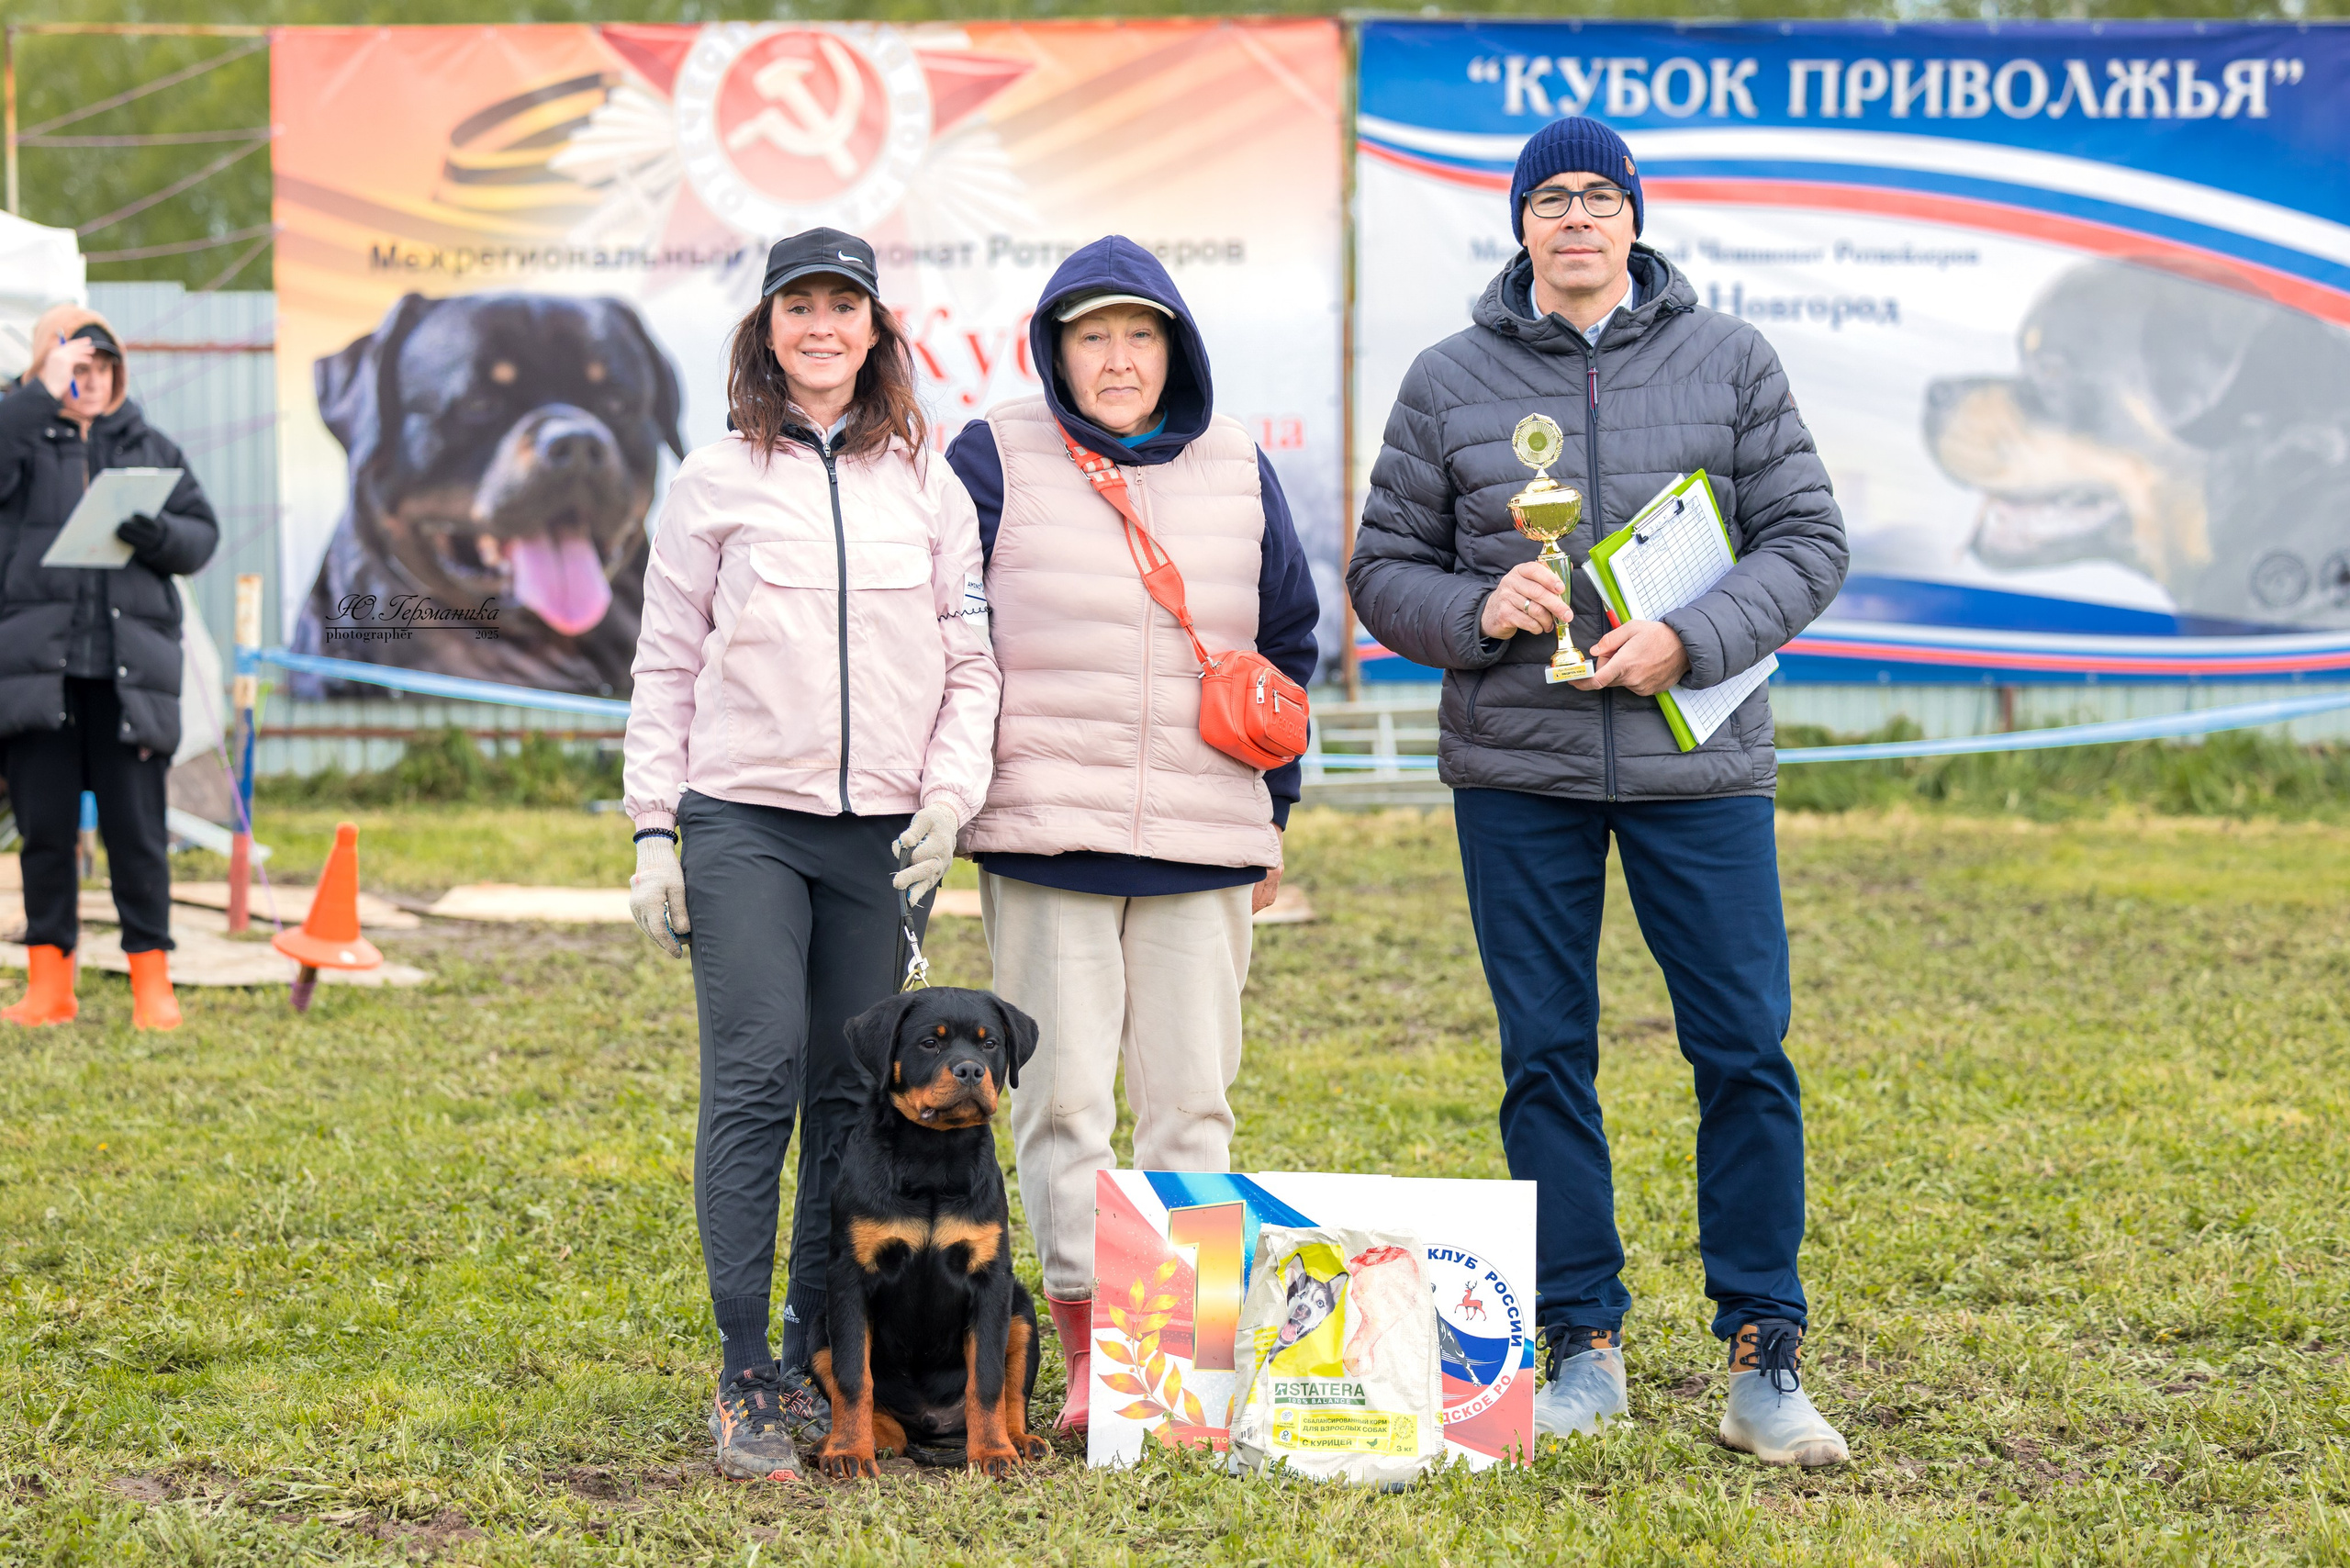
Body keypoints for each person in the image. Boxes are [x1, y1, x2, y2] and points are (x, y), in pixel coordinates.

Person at [1348, 117, 1852, 1467]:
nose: (1575, 216)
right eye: (1549, 197)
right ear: (1519, 222)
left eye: (1598, 195)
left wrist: (1692, 638)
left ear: (1634, 216)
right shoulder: (1448, 378)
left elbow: (1809, 540)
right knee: (1545, 1056)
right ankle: (1581, 1342)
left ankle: (1763, 1353)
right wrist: (1477, 608)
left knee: (1743, 1049)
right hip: (1522, 769)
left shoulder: (1730, 358)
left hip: (1701, 764)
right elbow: (1382, 571)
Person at [621, 230, 1000, 1484]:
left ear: (877, 327)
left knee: (849, 1095)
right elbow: (665, 663)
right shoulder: (712, 481)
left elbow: (971, 662)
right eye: (800, 306)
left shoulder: (930, 484)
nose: (822, 326)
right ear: (768, 328)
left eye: (845, 305)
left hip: (884, 838)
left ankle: (812, 1354)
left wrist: (947, 799)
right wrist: (655, 831)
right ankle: (745, 1372)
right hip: (743, 819)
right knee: (755, 1074)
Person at [945, 236, 1319, 1432]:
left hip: (1205, 841)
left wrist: (1272, 815)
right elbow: (942, 629)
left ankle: (1186, 1356)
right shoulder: (992, 454)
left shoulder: (1238, 462)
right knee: (1062, 1105)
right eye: (1092, 336)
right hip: (1047, 838)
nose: (1117, 359)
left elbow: (1287, 640)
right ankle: (1096, 1358)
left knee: (1191, 1106)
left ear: (1176, 349)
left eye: (1139, 335)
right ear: (1055, 352)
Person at [0, 308, 218, 1031]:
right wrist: (37, 395)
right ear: (44, 371)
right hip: (40, 677)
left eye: (102, 367)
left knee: (138, 835)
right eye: (74, 368)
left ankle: (152, 984)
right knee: (46, 836)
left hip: (130, 680)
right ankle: (49, 987)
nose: (90, 381)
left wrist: (160, 535)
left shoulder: (149, 445)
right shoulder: (19, 442)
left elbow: (201, 536)